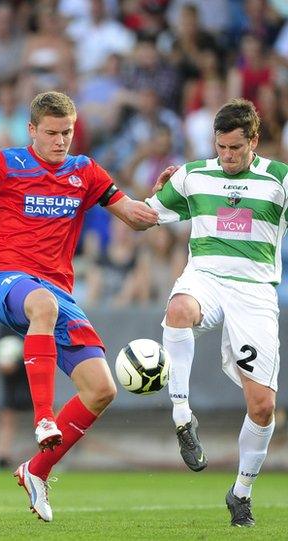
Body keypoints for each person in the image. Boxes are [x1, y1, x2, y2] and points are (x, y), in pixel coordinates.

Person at [0, 90, 165, 522]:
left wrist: (163, 203)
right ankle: (43, 419)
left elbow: (132, 214)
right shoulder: (5, 164)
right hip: (3, 279)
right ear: (32, 130)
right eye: (53, 133)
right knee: (41, 304)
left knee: (102, 389)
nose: (61, 141)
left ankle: (36, 471)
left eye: (68, 133)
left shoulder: (85, 171)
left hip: (57, 292)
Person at [147, 98, 288, 527]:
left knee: (262, 407)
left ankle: (240, 492)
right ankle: (182, 416)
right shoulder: (192, 175)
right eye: (221, 147)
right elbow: (145, 217)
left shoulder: (280, 180)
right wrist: (145, 196)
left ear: (254, 142)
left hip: (255, 292)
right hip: (205, 276)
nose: (227, 156)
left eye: (235, 148)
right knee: (178, 309)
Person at [0, 325, 32, 469]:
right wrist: (1, 365)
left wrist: (19, 363)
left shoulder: (34, 322)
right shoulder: (4, 324)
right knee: (6, 416)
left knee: (44, 416)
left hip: (32, 376)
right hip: (11, 381)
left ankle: (50, 456)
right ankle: (2, 457)